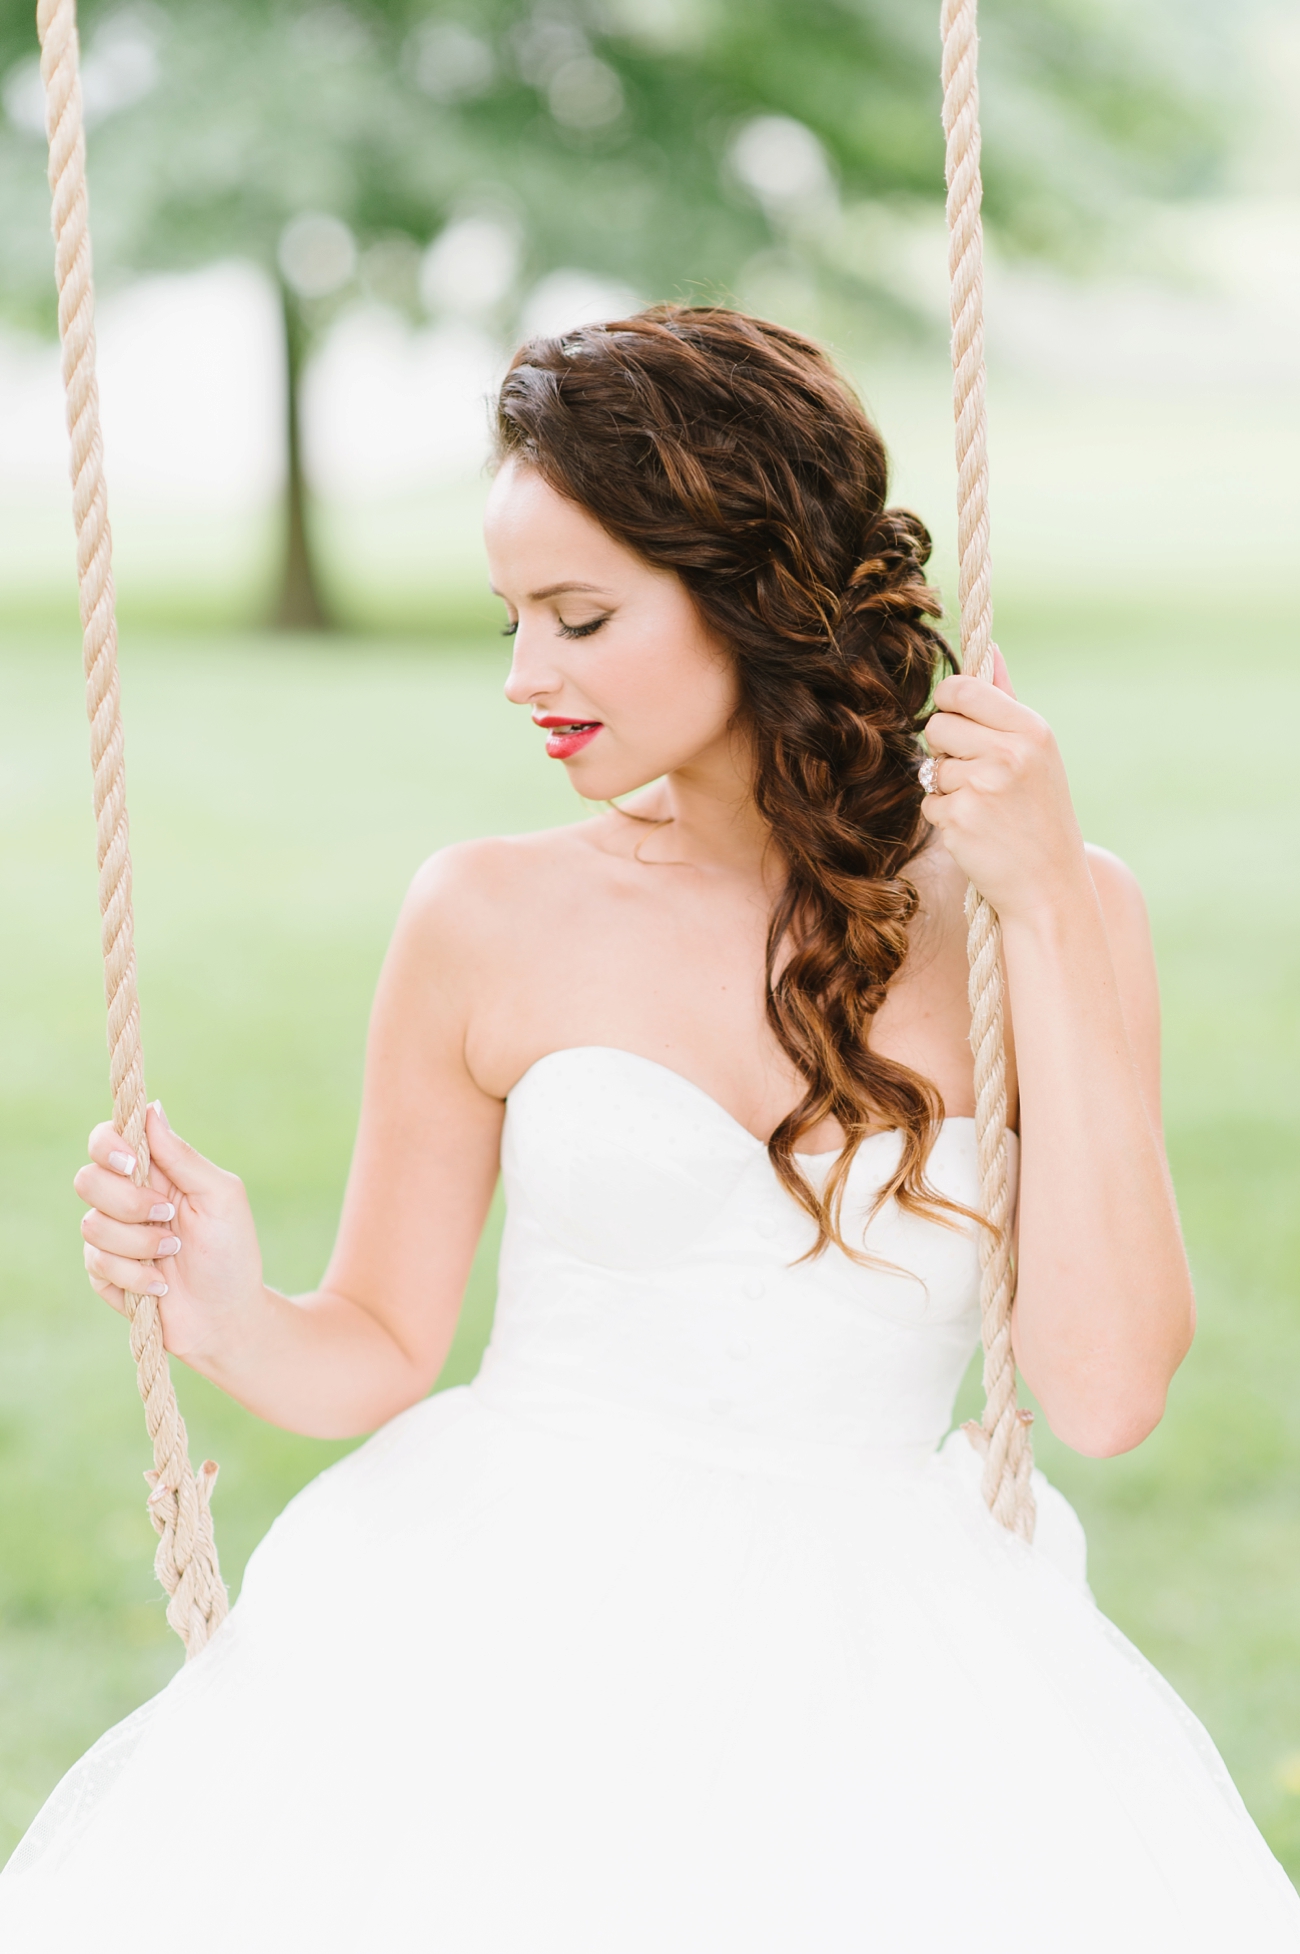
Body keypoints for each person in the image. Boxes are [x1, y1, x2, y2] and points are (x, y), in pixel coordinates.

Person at [1, 306, 1296, 1952]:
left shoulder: (1041, 910)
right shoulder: (485, 914)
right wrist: (230, 1309)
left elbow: (1105, 1393)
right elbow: (381, 1341)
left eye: (582, 615)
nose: (526, 678)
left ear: (751, 590)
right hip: (503, 1619)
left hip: (881, 1652)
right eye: (511, 619)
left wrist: (1039, 901)